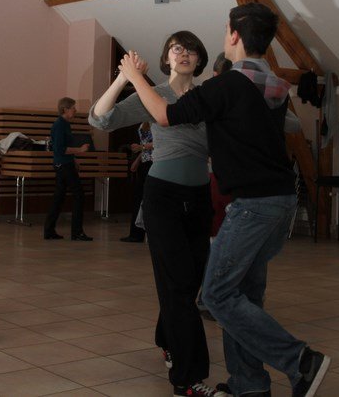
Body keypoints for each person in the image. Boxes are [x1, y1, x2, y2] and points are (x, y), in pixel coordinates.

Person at [119, 3, 330, 397]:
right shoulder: (274, 86)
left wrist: (134, 77)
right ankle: (249, 385)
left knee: (216, 295)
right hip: (281, 201)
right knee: (244, 294)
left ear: (233, 35)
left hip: (253, 205)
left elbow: (164, 115)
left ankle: (300, 360)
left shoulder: (227, 85)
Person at [90, 31, 220, 397]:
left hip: (199, 196)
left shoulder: (207, 97)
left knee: (189, 282)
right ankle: (187, 378)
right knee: (177, 283)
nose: (184, 53)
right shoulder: (153, 94)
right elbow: (100, 119)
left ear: (199, 59)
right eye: (177, 48)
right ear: (166, 57)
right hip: (163, 197)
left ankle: (167, 338)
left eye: (191, 49)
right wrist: (124, 78)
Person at [197, 53, 233, 322]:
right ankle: (210, 298)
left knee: (220, 242)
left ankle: (211, 297)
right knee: (218, 242)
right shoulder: (210, 99)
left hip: (224, 178)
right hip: (217, 179)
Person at [44, 97, 93, 241]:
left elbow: (64, 148)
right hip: (63, 165)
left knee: (59, 197)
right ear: (65, 109)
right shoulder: (60, 125)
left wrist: (74, 159)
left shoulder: (65, 124)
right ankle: (77, 232)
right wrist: (80, 150)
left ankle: (49, 230)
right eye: (73, 108)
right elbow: (60, 149)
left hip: (65, 163)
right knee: (79, 195)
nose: (75, 110)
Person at [120, 122, 153, 243]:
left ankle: (147, 233)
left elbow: (161, 143)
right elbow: (143, 146)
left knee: (149, 199)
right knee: (138, 198)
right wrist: (137, 161)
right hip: (145, 163)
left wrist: (142, 147)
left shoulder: (157, 122)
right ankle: (136, 234)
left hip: (155, 163)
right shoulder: (143, 124)